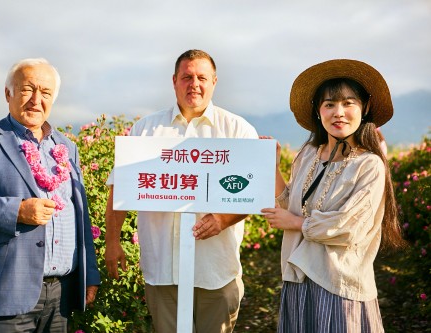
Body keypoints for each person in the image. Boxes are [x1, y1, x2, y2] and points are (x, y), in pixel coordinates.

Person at [104, 49, 259, 333]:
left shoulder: (237, 129)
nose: (194, 84)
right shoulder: (145, 130)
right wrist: (112, 242)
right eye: (187, 77)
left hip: (216, 270)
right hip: (163, 270)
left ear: (214, 81)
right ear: (174, 80)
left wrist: (223, 219)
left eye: (202, 77)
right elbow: (120, 189)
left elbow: (255, 190)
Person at [0, 58, 100, 332]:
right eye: (27, 89)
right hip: (5, 291)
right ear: (8, 93)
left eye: (46, 92)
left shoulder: (66, 147)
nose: (36, 100)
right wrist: (17, 210)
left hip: (61, 294)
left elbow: (80, 215)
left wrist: (89, 273)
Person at [261, 59, 406, 332]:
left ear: (364, 109)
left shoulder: (369, 164)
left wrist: (296, 224)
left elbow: (350, 228)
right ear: (318, 111)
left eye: (348, 103)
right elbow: (290, 203)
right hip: (299, 279)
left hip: (340, 285)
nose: (338, 112)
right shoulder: (307, 155)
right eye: (329, 104)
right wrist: (273, 166)